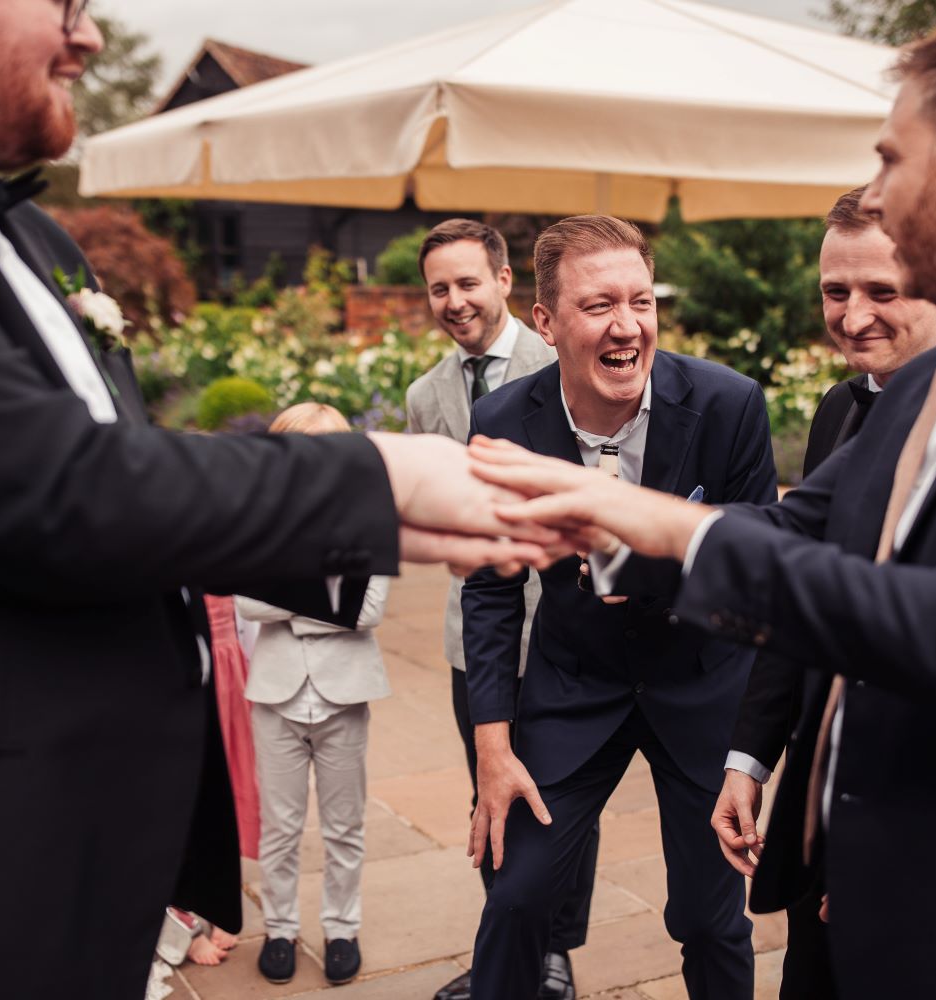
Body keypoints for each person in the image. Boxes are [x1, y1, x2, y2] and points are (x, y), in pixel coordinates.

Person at [0, 3, 555, 998]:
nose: (88, 40)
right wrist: (371, 475)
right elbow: (46, 483)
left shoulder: (28, 231)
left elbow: (111, 462)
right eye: (67, 5)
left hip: (59, 852)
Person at [471, 16, 936, 1000]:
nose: (876, 193)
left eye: (888, 158)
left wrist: (662, 521)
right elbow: (793, 533)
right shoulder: (935, 376)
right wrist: (594, 518)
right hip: (853, 898)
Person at [463, 215, 778, 1000]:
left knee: (709, 921)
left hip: (703, 684)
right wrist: (493, 749)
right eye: (600, 304)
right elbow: (493, 589)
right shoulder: (502, 424)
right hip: (572, 687)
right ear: (545, 320)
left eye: (642, 301)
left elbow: (762, 569)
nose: (627, 325)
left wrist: (658, 560)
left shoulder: (731, 404)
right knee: (517, 896)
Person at [717, 186, 936, 1000]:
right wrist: (750, 759)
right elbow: (801, 599)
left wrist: (888, 845)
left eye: (881, 292)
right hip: (824, 803)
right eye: (835, 291)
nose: (853, 317)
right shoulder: (836, 411)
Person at [405, 219, 593, 1000]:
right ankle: (507, 952)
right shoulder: (427, 396)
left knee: (562, 800)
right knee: (492, 793)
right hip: (472, 638)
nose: (455, 301)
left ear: (506, 280)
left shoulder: (562, 362)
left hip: (561, 634)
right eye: (440, 289)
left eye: (467, 283)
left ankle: (555, 951)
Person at [239, 402, 392, 987]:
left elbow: (370, 610)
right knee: (279, 827)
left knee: (344, 824)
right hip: (276, 695)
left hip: (344, 694)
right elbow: (247, 604)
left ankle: (341, 928)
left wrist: (289, 596)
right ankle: (278, 928)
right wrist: (327, 596)